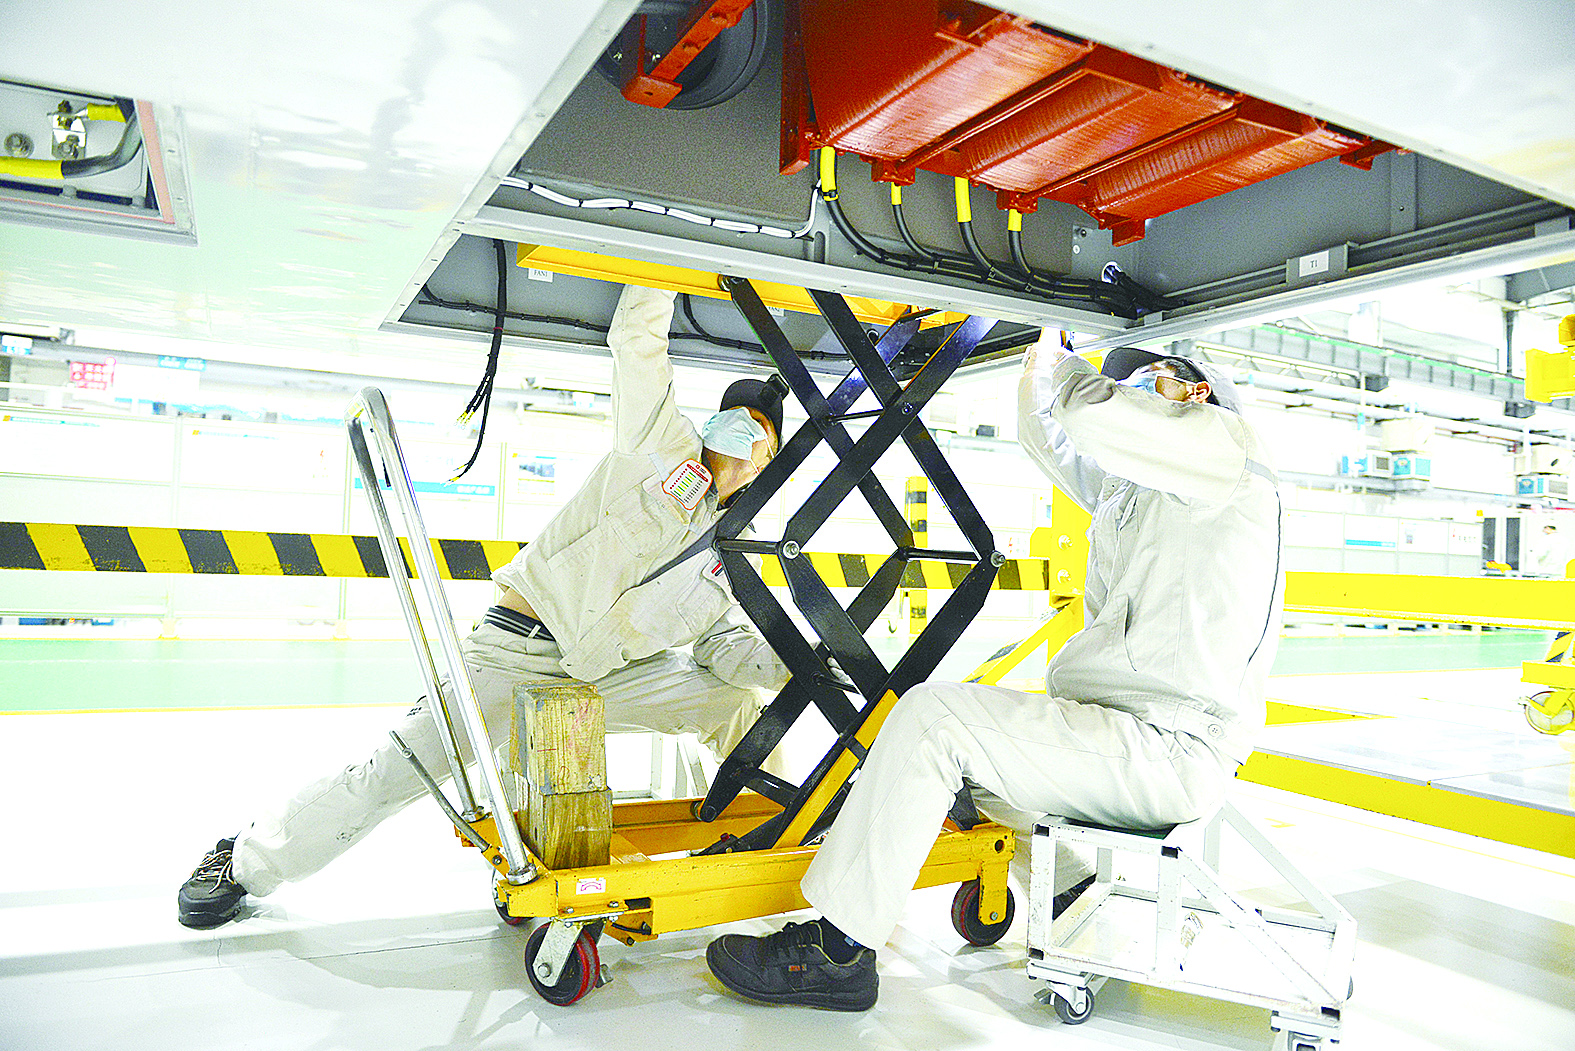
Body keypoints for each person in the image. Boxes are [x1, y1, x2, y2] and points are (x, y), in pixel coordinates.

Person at [179, 284, 792, 929]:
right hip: (514, 652)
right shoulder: (659, 442)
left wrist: (807, 669)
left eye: (762, 436)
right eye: (738, 420)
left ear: (769, 464)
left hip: (604, 676)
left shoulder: (728, 553)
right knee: (396, 772)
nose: (746, 438)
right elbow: (637, 340)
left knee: (735, 704)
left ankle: (772, 838)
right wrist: (665, 262)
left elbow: (727, 647)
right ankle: (245, 862)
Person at [704, 334, 1283, 1011]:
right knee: (955, 766)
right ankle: (1072, 894)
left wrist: (1067, 349)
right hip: (1118, 733)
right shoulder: (1142, 487)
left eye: (1147, 380)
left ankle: (837, 954)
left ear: (1195, 391)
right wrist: (1039, 360)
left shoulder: (1227, 450)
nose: (1129, 392)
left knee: (932, 720)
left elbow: (1092, 411)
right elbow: (1050, 438)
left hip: (1167, 745)